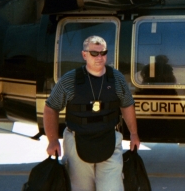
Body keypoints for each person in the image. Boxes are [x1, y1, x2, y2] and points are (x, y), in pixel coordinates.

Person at [44, 35, 140, 191]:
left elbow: (127, 105)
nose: (99, 57)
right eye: (94, 53)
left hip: (109, 138)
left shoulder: (116, 78)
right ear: (84, 55)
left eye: (103, 52)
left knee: (112, 188)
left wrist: (134, 134)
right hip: (77, 141)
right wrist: (53, 140)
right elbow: (50, 108)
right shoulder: (70, 80)